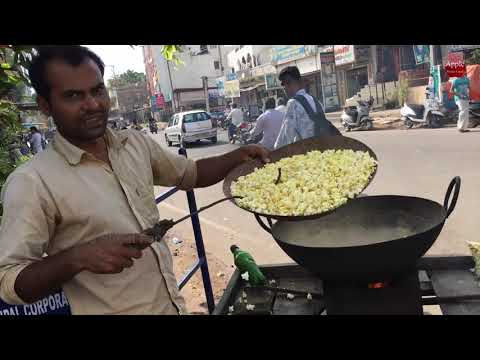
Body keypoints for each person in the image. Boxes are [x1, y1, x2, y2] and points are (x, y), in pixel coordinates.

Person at [0, 45, 270, 315]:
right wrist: (78, 257)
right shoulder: (31, 182)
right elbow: (9, 281)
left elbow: (191, 174)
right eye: (73, 96)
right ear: (45, 105)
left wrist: (239, 155)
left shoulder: (135, 143)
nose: (93, 104)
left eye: (97, 90)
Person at [274, 66, 339, 150]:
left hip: (307, 152)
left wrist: (275, 151)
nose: (284, 89)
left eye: (284, 86)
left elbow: (286, 135)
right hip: (323, 148)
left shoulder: (293, 103)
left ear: (288, 83)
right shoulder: (316, 101)